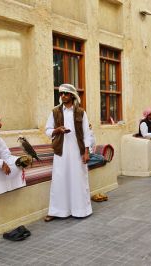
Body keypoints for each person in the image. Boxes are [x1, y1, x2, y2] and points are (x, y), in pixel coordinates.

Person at [44, 84, 92, 222]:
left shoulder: (81, 112)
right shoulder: (55, 112)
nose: (63, 96)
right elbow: (47, 130)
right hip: (61, 151)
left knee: (78, 180)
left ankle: (81, 210)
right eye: (61, 94)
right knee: (59, 179)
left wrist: (86, 152)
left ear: (72, 95)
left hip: (77, 151)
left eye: (65, 93)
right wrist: (57, 130)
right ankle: (56, 211)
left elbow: (86, 134)